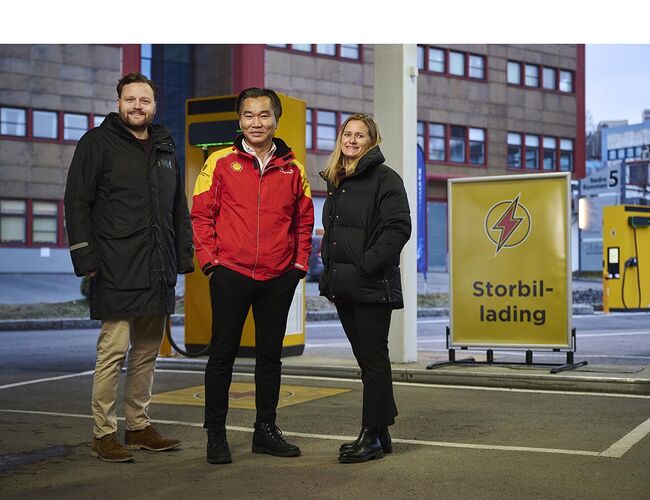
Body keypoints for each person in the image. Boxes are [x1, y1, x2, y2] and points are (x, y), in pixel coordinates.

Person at [64, 72, 194, 462]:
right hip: (115, 264)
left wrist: (182, 256)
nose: (138, 106)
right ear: (119, 102)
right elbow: (76, 202)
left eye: (145, 100)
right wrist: (85, 258)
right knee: (113, 351)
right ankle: (103, 434)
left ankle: (137, 426)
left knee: (147, 353)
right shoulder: (97, 143)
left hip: (157, 264)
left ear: (155, 106)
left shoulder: (165, 145)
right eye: (130, 99)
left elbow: (177, 208)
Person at [191, 87, 314, 465]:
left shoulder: (293, 169)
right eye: (248, 115)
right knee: (222, 356)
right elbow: (200, 215)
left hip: (278, 276)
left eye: (263, 115)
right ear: (239, 120)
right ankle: (216, 435)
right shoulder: (220, 161)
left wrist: (298, 267)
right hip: (231, 272)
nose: (255, 122)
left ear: (276, 120)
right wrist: (212, 264)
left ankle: (266, 431)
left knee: (270, 358)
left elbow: (304, 222)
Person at [318, 114, 411, 463]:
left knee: (373, 361)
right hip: (344, 286)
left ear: (372, 142)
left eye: (360, 136)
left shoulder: (385, 179)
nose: (352, 140)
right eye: (348, 134)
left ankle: (370, 436)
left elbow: (399, 227)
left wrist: (367, 264)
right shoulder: (338, 179)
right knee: (367, 360)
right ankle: (381, 432)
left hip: (371, 284)